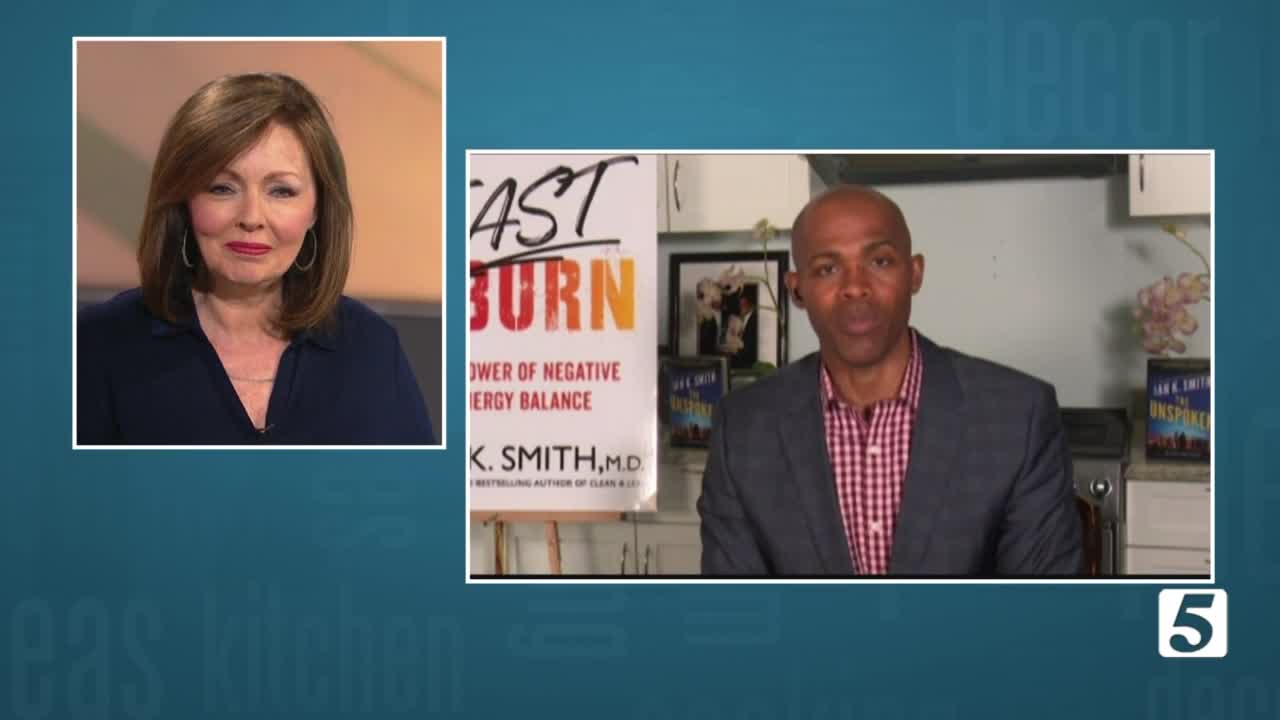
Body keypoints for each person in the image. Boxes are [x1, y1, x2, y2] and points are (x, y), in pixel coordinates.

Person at [697, 185, 1081, 575]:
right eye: (827, 269)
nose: (855, 287)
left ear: (915, 274)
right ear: (797, 291)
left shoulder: (1018, 418)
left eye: (880, 261)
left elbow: (1044, 605)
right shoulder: (742, 430)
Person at [77, 73, 435, 445]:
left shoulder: (371, 348)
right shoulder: (98, 345)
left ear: (317, 209)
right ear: (184, 201)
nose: (251, 217)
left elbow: (415, 484)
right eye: (222, 188)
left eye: (281, 191)